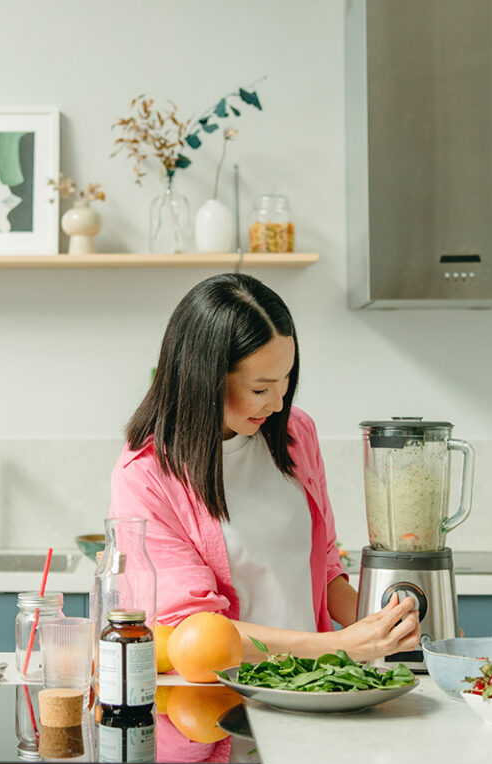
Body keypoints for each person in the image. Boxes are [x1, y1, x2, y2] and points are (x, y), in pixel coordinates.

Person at [109, 273, 420, 662]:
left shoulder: (295, 434)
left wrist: (392, 628)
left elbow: (324, 569)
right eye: (260, 389)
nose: (277, 403)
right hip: (225, 699)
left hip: (316, 686)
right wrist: (340, 647)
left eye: (286, 380)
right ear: (205, 380)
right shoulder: (146, 476)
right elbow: (196, 630)